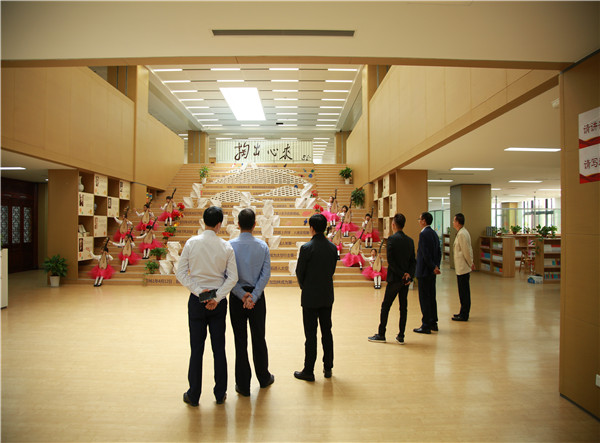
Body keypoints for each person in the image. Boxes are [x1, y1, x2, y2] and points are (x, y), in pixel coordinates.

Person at [176, 206, 238, 406]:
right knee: (219, 349)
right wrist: (216, 297)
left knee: (196, 349)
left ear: (204, 222)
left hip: (197, 301)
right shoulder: (226, 247)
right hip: (218, 304)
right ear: (219, 224)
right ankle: (220, 394)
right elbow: (233, 278)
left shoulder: (191, 243)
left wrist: (200, 292)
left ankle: (193, 395)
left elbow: (181, 273)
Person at [228, 208, 275, 397]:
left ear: (238, 224)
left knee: (240, 341)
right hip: (257, 299)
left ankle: (243, 384)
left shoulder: (229, 246)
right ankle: (263, 377)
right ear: (255, 224)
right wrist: (253, 296)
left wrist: (242, 295)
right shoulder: (262, 246)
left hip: (236, 298)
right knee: (259, 338)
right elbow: (265, 274)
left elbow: (228, 276)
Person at [294, 213, 338, 382]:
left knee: (310, 335)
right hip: (326, 295)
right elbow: (331, 271)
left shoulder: (306, 248)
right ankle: (328, 367)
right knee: (327, 332)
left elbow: (300, 272)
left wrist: (305, 287)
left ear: (311, 228)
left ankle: (309, 370)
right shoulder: (332, 248)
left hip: (310, 297)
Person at [368, 214, 416, 344]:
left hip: (395, 278)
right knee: (403, 307)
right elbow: (413, 261)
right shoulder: (410, 241)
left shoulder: (391, 240)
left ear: (393, 225)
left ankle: (381, 334)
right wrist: (408, 275)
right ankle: (401, 335)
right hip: (405, 280)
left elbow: (391, 262)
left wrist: (401, 274)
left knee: (386, 306)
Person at [414, 211, 442, 334]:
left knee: (424, 298)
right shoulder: (434, 233)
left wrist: (432, 266)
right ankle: (433, 322)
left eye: (420, 219)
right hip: (432, 271)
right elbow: (438, 252)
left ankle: (425, 325)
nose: (419, 221)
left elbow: (425, 254)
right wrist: (436, 266)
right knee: (431, 297)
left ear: (424, 221)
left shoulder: (423, 234)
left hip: (424, 271)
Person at [452, 213, 475, 322]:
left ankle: (464, 314)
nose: (453, 223)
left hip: (463, 267)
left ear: (458, 222)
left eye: (454, 221)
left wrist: (471, 263)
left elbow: (466, 250)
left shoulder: (462, 234)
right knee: (462, 291)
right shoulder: (462, 232)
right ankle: (462, 312)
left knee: (464, 292)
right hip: (461, 267)